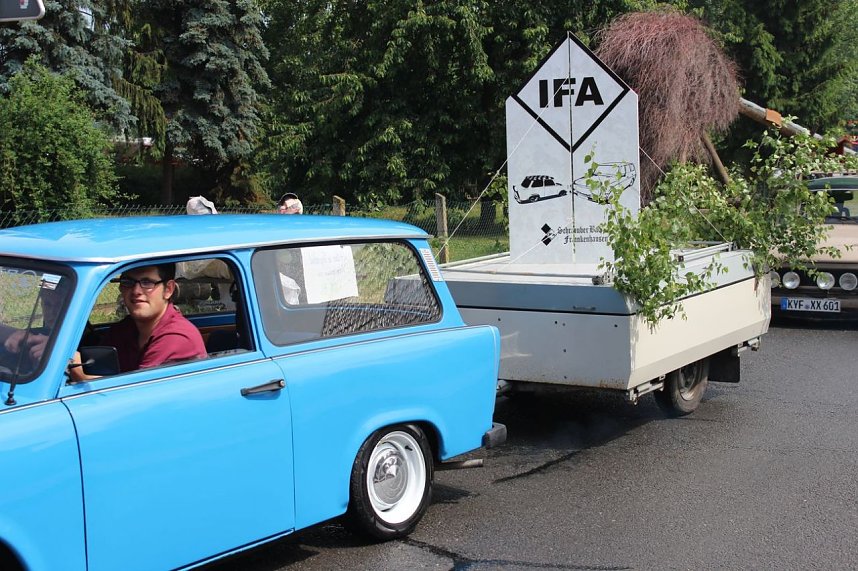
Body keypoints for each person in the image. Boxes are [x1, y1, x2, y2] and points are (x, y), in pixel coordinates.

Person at [69, 263, 207, 380]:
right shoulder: (124, 329)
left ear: (168, 289)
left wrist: (74, 367)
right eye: (128, 282)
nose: (136, 291)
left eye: (147, 283)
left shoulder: (177, 337)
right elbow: (100, 368)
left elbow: (135, 394)